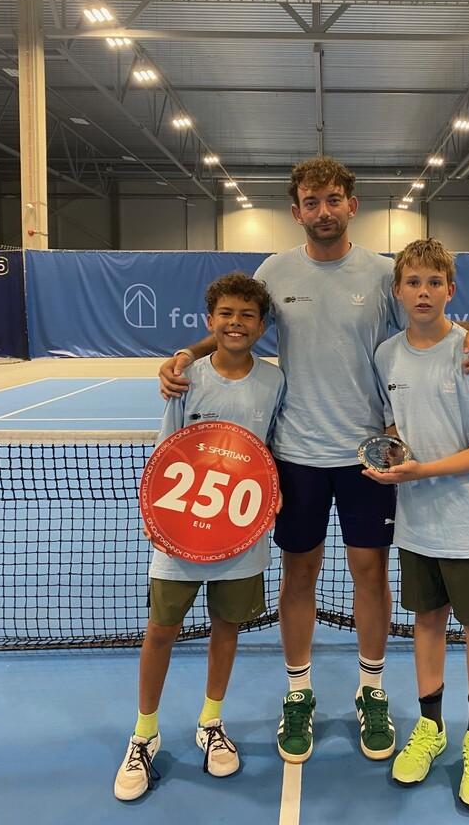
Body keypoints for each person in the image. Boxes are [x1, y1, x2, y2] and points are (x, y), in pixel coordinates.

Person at [158, 157, 469, 766]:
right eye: (312, 202)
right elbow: (238, 324)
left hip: (368, 455)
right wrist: (187, 353)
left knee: (370, 574)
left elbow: (430, 317)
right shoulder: (274, 270)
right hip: (294, 454)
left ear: (352, 205)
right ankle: (299, 693)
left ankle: (371, 689)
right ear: (297, 211)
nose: (323, 211)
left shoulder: (382, 273)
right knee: (300, 575)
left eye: (333, 200)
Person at [114, 273, 285, 801]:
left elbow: (272, 450)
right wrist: (156, 516)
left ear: (262, 326)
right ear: (210, 321)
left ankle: (211, 722)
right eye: (226, 314)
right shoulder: (187, 376)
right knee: (161, 629)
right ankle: (144, 733)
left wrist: (271, 496)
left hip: (242, 532)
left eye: (247, 315)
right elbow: (168, 449)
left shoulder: (275, 381)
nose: (236, 323)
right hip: (180, 531)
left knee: (226, 627)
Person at [363, 238, 469, 811]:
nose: (423, 292)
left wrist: (421, 471)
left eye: (433, 283)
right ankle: (430, 728)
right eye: (413, 282)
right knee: (426, 622)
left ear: (451, 290)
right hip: (417, 523)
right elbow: (394, 427)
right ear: (398, 290)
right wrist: (394, 456)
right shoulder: (386, 356)